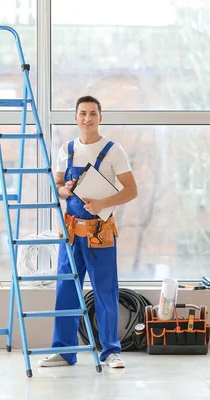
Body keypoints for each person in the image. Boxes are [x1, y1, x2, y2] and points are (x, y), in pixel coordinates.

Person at [38, 95, 138, 369]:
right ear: (75, 117)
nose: (87, 118)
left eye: (93, 113)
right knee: (66, 291)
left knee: (105, 292)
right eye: (82, 113)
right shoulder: (66, 150)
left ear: (100, 117)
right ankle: (65, 351)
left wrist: (103, 203)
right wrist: (64, 190)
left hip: (99, 234)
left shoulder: (113, 150)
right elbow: (56, 186)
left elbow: (131, 190)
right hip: (71, 233)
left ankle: (111, 352)